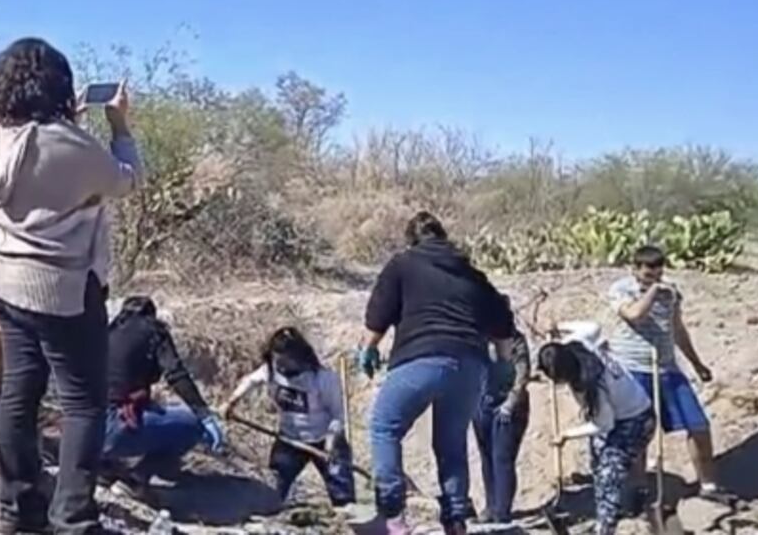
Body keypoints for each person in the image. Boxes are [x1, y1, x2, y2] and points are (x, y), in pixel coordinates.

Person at [0, 38, 140, 535]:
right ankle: (72, 517)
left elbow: (42, 166)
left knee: (19, 394)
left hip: (2, 281)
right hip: (61, 290)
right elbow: (127, 180)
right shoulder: (70, 144)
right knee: (83, 402)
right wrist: (119, 126)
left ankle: (17, 508)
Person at [358, 211, 516, 535]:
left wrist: (369, 348)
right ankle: (455, 518)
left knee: (384, 427)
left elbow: (379, 314)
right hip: (470, 368)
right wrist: (503, 365)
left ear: (411, 239)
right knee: (451, 443)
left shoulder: (403, 263)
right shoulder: (471, 273)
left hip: (420, 357)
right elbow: (502, 322)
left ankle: (392, 517)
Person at [606, 245, 725, 499]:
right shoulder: (621, 289)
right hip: (632, 369)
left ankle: (708, 487)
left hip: (666, 367)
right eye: (649, 274)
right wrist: (652, 291)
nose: (655, 278)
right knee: (638, 431)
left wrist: (697, 363)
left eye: (658, 273)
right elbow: (634, 315)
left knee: (698, 425)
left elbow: (678, 330)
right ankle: (639, 489)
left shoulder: (671, 292)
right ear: (635, 269)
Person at [538, 321, 655, 535]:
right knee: (598, 465)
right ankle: (608, 512)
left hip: (636, 420)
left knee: (608, 472)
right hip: (615, 417)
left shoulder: (591, 385)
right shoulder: (577, 344)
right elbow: (594, 327)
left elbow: (604, 424)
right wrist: (560, 326)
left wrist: (566, 434)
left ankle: (605, 527)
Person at [103, 296, 226, 496]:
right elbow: (175, 374)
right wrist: (204, 414)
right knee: (192, 422)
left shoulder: (107, 332)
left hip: (80, 432)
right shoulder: (153, 331)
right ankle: (137, 478)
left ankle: (102, 466)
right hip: (113, 430)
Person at [223, 327, 356, 508]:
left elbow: (338, 415)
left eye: (287, 360)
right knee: (273, 490)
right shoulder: (270, 370)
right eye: (278, 360)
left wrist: (331, 442)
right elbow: (251, 381)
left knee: (343, 497)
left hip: (325, 441)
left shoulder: (323, 379)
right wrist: (232, 402)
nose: (282, 366)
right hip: (289, 440)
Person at [471, 297, 531, 525]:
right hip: (481, 404)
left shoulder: (516, 341)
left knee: (502, 458)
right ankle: (490, 506)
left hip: (508, 406)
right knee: (486, 457)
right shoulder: (479, 340)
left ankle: (502, 512)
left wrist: (510, 402)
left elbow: (522, 374)